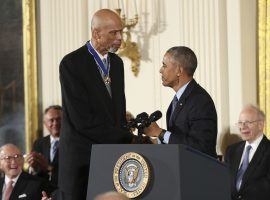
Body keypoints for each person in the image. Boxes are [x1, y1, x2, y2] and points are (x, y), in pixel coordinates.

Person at [58, 9, 136, 200]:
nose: (120, 38)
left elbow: (117, 111)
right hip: (82, 161)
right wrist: (126, 138)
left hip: (111, 156)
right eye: (114, 33)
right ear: (96, 33)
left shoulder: (117, 63)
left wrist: (128, 133)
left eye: (122, 32)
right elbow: (82, 120)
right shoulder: (72, 63)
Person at [143, 46, 217, 158]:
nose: (160, 70)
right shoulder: (179, 99)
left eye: (164, 65)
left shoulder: (200, 100)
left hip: (198, 172)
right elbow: (178, 139)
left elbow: (201, 147)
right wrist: (151, 141)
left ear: (179, 70)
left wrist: (160, 133)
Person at [224, 105, 270, 200]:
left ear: (260, 125)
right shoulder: (231, 151)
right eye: (240, 123)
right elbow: (224, 183)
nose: (243, 127)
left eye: (247, 122)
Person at [26, 105, 62, 187]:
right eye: (51, 120)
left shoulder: (72, 143)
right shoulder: (39, 143)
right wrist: (33, 167)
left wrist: (48, 168)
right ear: (45, 123)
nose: (55, 123)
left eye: (59, 119)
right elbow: (34, 173)